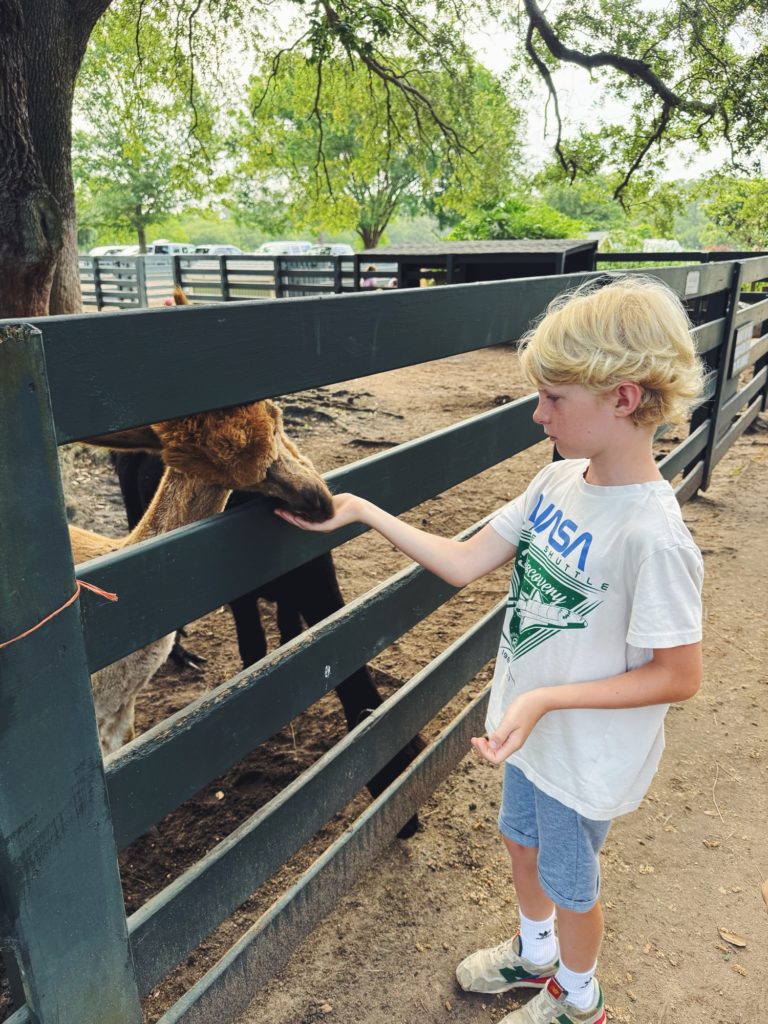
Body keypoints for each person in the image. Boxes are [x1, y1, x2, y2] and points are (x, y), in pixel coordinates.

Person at [274, 275, 705, 1024]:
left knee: (574, 883)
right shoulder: (558, 481)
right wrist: (362, 512)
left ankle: (579, 999)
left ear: (624, 399)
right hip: (530, 732)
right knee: (519, 842)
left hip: (581, 751)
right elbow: (466, 560)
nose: (538, 415)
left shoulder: (652, 537)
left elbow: (679, 675)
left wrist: (544, 699)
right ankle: (536, 955)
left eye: (553, 400)